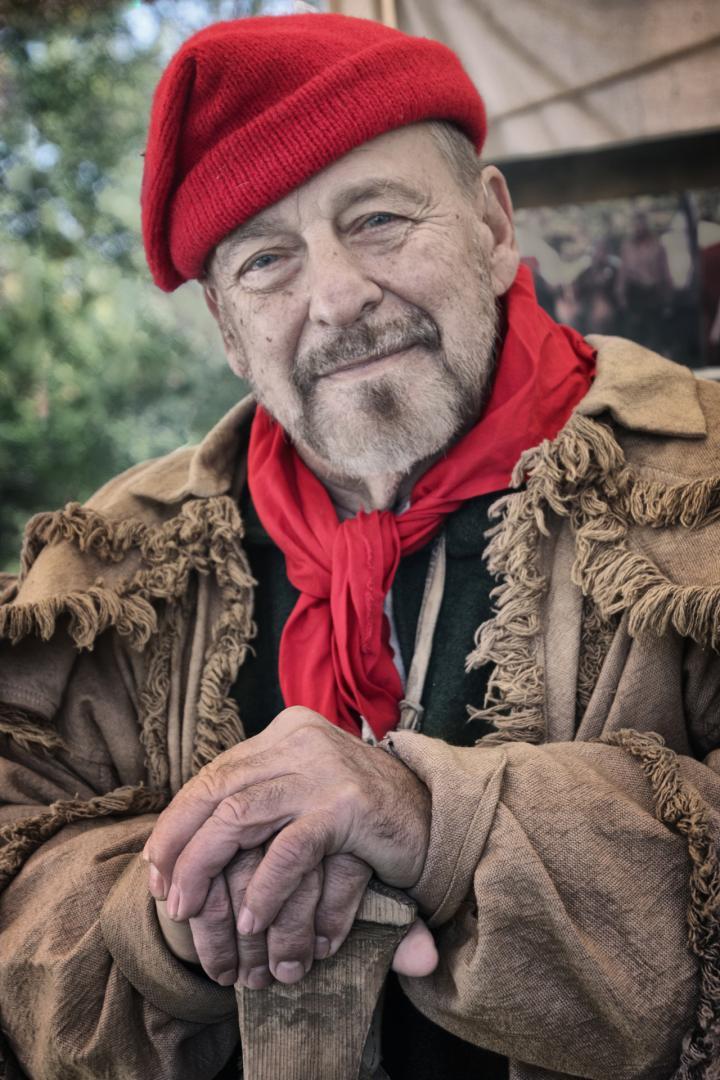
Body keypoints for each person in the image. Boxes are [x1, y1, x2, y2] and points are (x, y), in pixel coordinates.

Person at [1, 13, 720, 1080]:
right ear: (228, 330)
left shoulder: (702, 486)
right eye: (267, 261)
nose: (337, 298)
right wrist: (166, 915)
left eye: (379, 218)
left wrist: (436, 823)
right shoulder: (113, 565)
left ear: (493, 226)